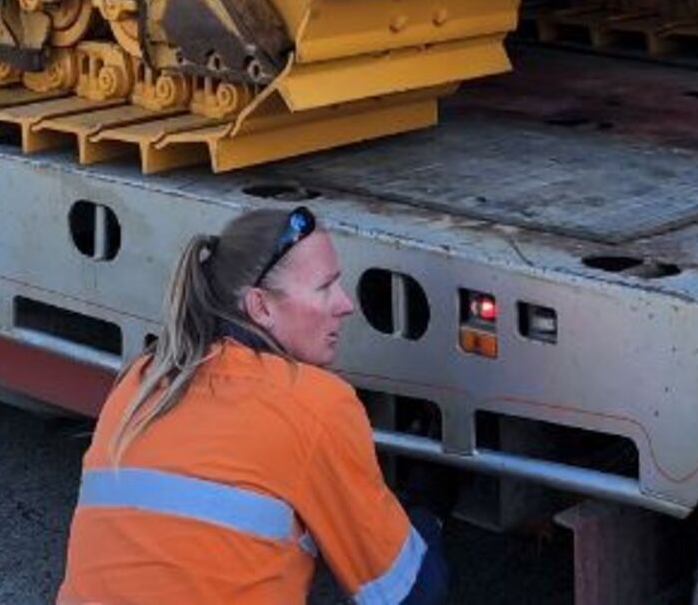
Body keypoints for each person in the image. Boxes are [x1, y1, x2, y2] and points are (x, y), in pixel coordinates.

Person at [58, 204, 445, 605]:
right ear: (260, 306)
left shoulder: (141, 378)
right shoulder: (314, 404)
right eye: (325, 287)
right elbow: (408, 592)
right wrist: (427, 507)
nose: (345, 304)